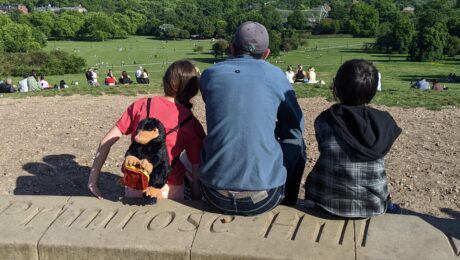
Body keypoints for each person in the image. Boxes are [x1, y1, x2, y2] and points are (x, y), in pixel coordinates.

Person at [199, 21, 306, 216]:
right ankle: (288, 203)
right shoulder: (275, 75)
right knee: (299, 142)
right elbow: (295, 126)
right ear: (266, 54)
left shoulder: (209, 74)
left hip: (213, 194)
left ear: (231, 48)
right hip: (263, 198)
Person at [88, 60, 205, 201]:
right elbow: (196, 168)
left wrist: (92, 183)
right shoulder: (191, 123)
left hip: (135, 182)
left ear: (165, 81)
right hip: (167, 188)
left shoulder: (141, 105)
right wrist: (197, 197)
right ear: (192, 90)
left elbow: (106, 141)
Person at [305, 59, 402, 218]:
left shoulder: (324, 120)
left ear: (337, 86)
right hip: (373, 203)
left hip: (325, 199)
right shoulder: (385, 123)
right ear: (372, 91)